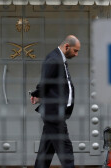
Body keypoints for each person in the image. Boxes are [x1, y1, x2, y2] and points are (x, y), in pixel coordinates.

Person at [30, 35, 80, 168]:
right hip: (54, 114)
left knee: (45, 152)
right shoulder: (53, 59)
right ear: (67, 46)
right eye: (75, 51)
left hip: (55, 112)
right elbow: (45, 82)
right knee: (66, 151)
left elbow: (54, 86)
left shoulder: (60, 59)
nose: (76, 54)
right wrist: (37, 94)